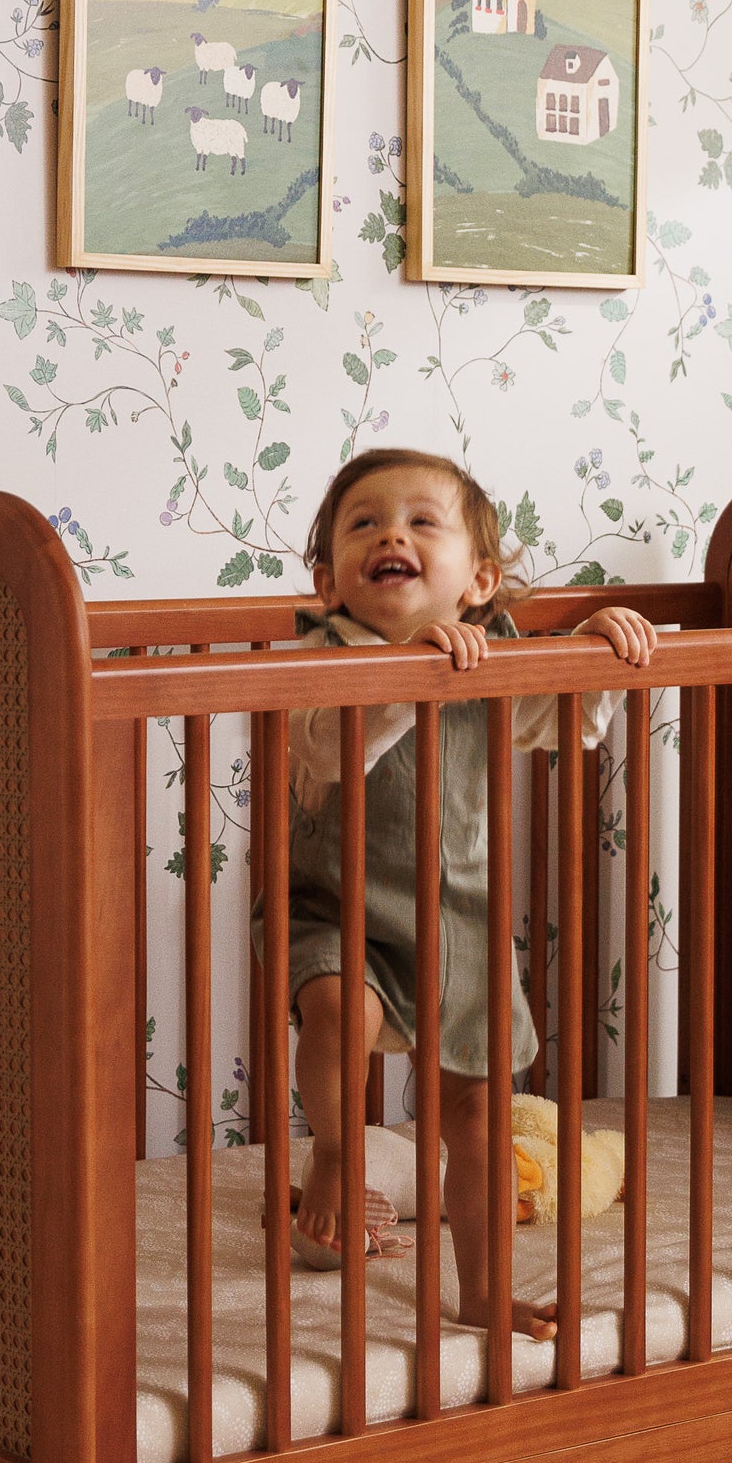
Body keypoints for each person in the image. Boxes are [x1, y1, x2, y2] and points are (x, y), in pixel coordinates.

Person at [273, 446, 658, 1341]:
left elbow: (561, 716)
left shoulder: (493, 656)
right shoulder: (319, 655)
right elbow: (325, 748)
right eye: (365, 524)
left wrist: (599, 644)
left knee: (478, 1121)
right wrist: (408, 671)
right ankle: (336, 1152)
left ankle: (483, 1291)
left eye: (420, 522)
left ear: (479, 580)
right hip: (339, 910)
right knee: (339, 1012)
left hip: (461, 925)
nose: (391, 536)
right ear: (329, 582)